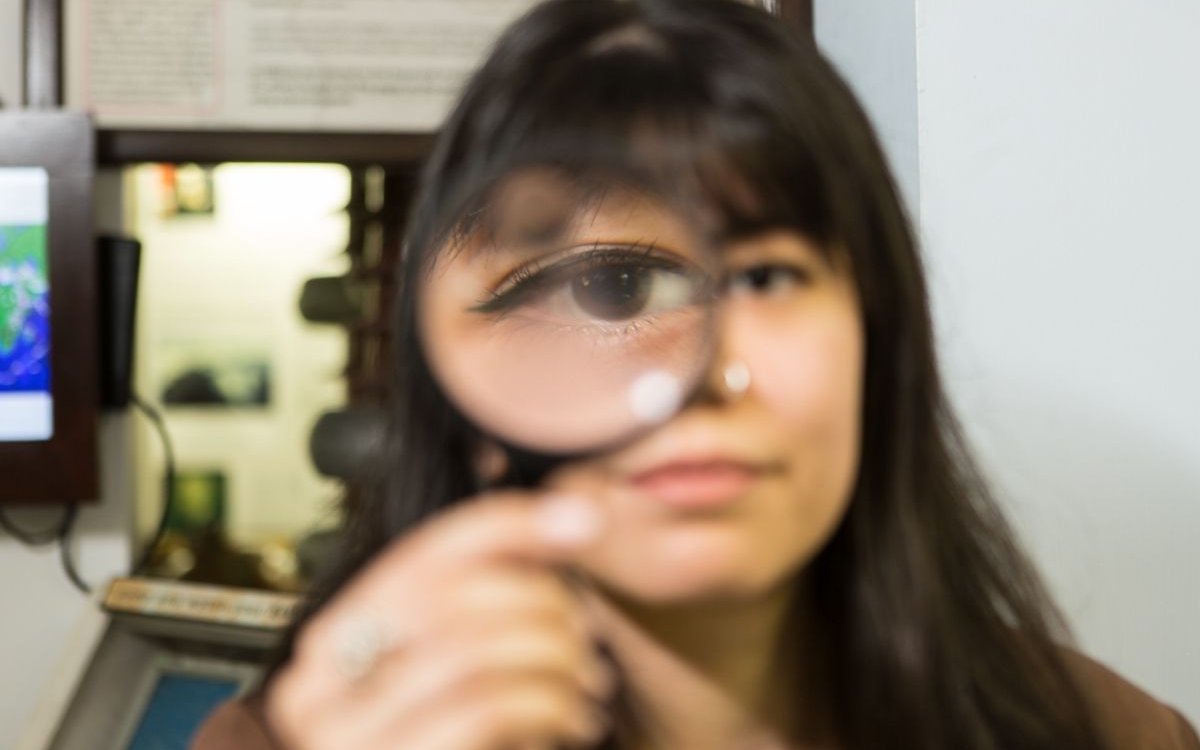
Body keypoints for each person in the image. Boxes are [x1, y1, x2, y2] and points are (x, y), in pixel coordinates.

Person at [194, 1, 1199, 748]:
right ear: (465, 405)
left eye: (767, 274)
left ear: (878, 342)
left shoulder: (1104, 734)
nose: (708, 376)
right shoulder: (306, 739)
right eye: (609, 289)